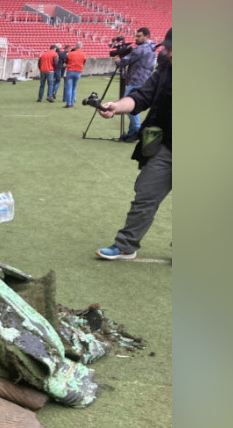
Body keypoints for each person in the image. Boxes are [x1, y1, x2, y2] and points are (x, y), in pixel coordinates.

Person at [94, 29, 172, 260]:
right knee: (145, 195)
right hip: (167, 147)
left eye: (173, 47)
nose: (168, 51)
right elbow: (141, 96)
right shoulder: (166, 67)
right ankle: (126, 245)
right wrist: (116, 107)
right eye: (168, 46)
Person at [114, 27, 156, 142]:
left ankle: (136, 131)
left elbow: (125, 61)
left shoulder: (142, 48)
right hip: (144, 79)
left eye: (139, 36)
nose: (136, 38)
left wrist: (118, 60)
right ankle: (132, 132)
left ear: (146, 36)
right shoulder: (152, 47)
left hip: (137, 80)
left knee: (129, 107)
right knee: (133, 107)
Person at [61, 42, 85, 107]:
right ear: (81, 46)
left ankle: (68, 103)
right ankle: (72, 101)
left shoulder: (70, 54)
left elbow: (66, 61)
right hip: (78, 71)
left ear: (75, 46)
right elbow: (84, 62)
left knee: (69, 88)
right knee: (74, 87)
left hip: (70, 70)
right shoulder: (83, 54)